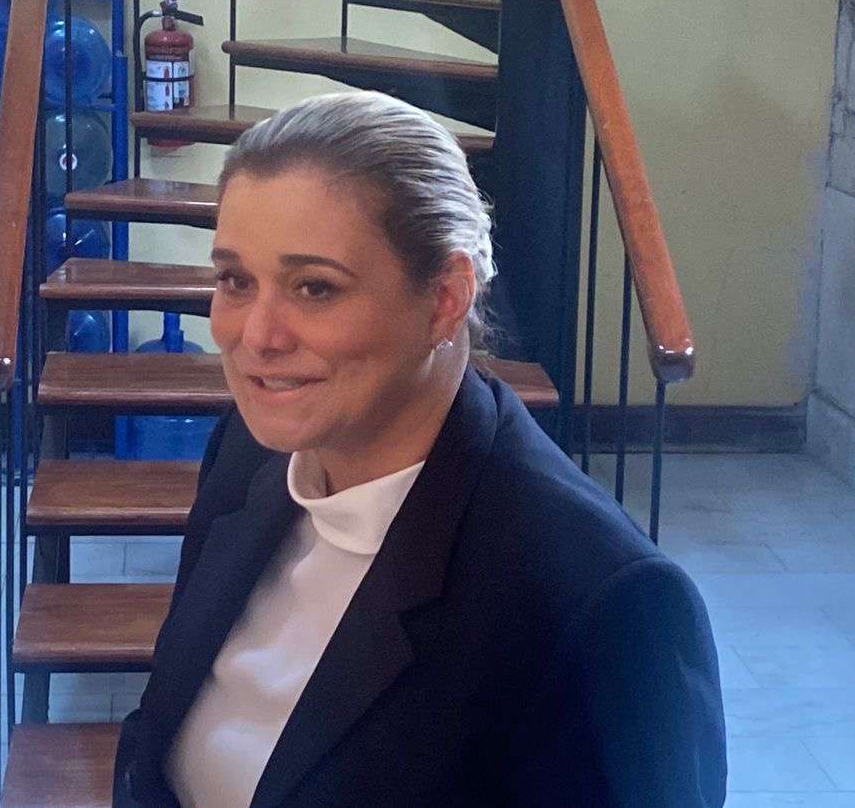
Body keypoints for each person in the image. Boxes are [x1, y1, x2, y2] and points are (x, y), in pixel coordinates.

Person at [113, 91, 726, 806]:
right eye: (235, 281)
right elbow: (157, 739)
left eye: (314, 287)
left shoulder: (602, 605)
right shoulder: (249, 454)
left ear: (445, 299)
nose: (257, 336)